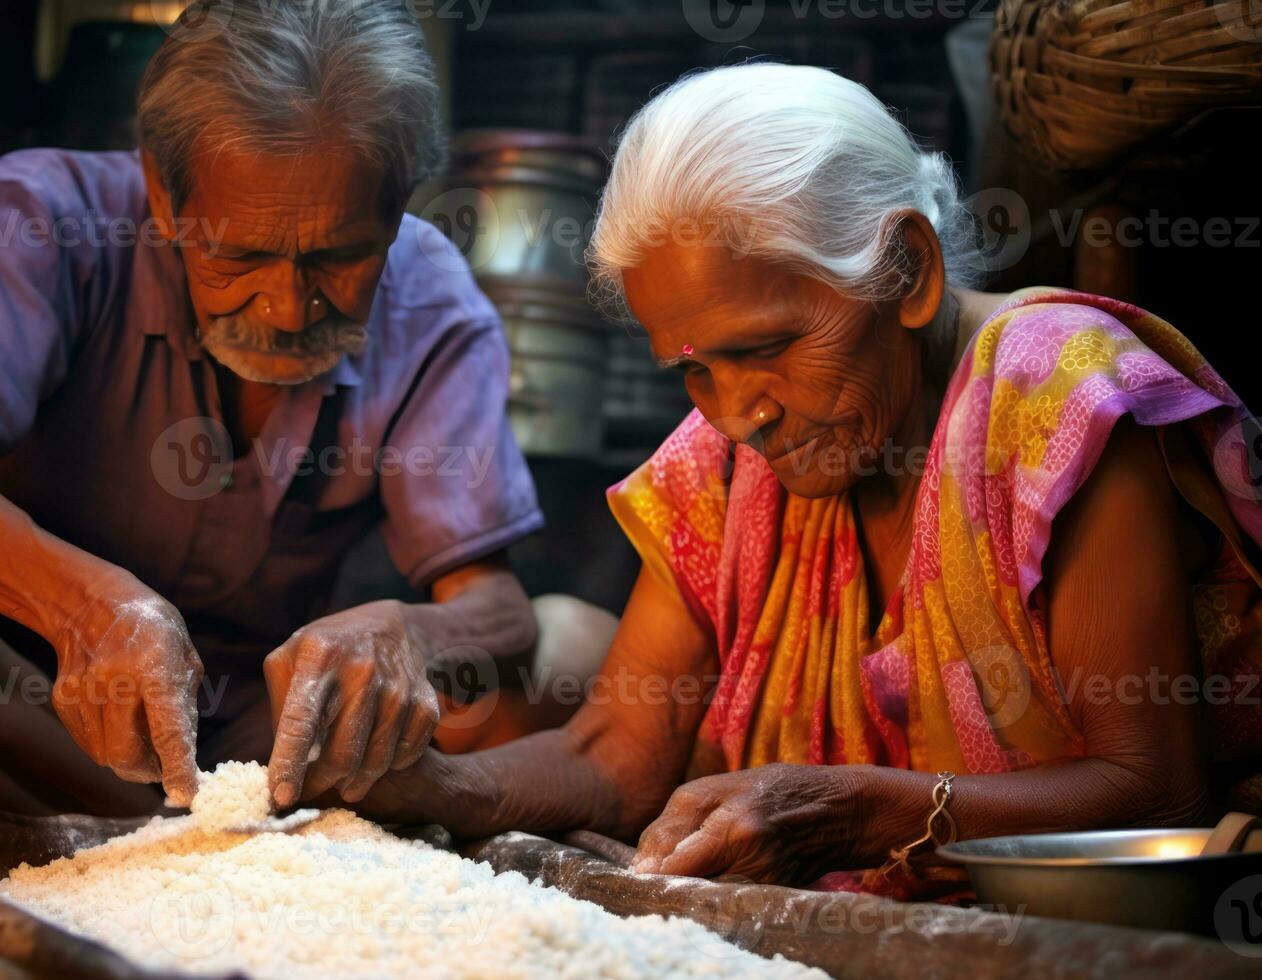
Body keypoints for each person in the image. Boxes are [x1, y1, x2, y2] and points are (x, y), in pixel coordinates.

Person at [346, 64, 1262, 897]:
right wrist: (427, 783)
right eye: (695, 370)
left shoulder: (1056, 402)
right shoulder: (724, 462)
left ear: (907, 269)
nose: (739, 411)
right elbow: (617, 754)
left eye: (770, 348)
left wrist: (859, 812)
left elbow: (1156, 791)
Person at [0, 0, 559, 817]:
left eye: (340, 256)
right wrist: (90, 607)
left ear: (399, 200)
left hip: (263, 740)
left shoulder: (434, 299)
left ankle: (165, 832)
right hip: (26, 695)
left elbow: (498, 611)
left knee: (502, 693)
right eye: (242, 254)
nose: (290, 308)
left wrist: (409, 633)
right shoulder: (48, 217)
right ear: (163, 192)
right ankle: (178, 836)